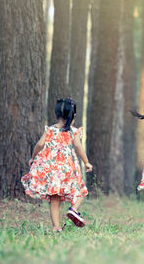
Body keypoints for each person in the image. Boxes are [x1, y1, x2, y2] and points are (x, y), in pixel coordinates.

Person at [22, 98, 92, 232]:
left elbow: (40, 144)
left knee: (55, 199)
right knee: (81, 190)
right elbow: (78, 146)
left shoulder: (50, 130)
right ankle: (73, 209)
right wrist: (86, 162)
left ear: (56, 115)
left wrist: (33, 157)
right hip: (68, 168)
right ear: (73, 115)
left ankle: (56, 227)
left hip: (52, 170)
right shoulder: (74, 131)